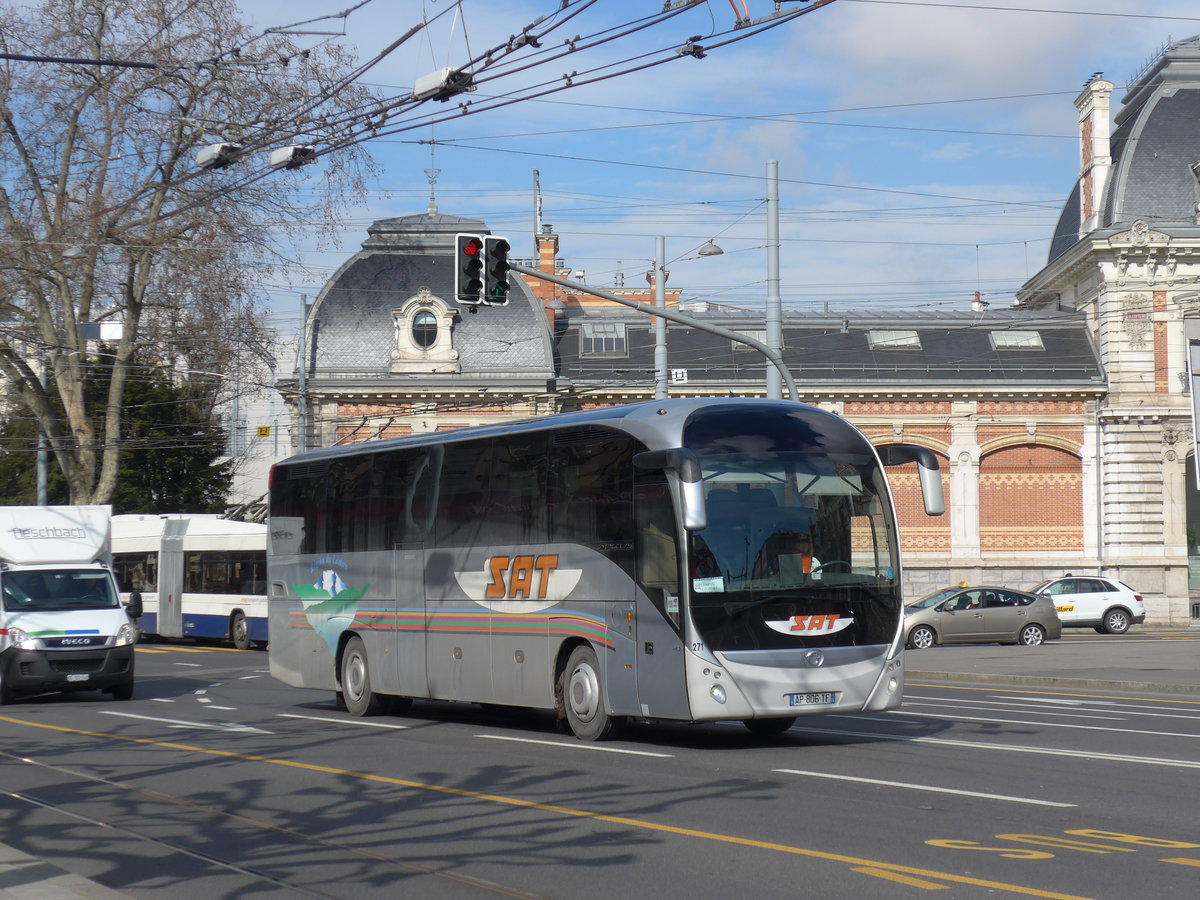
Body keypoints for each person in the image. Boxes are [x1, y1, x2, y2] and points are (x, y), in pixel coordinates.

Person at [753, 530, 822, 581]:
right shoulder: (779, 562)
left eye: (806, 541)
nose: (804, 544)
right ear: (793, 543)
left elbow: (817, 581)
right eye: (800, 541)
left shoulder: (814, 562)